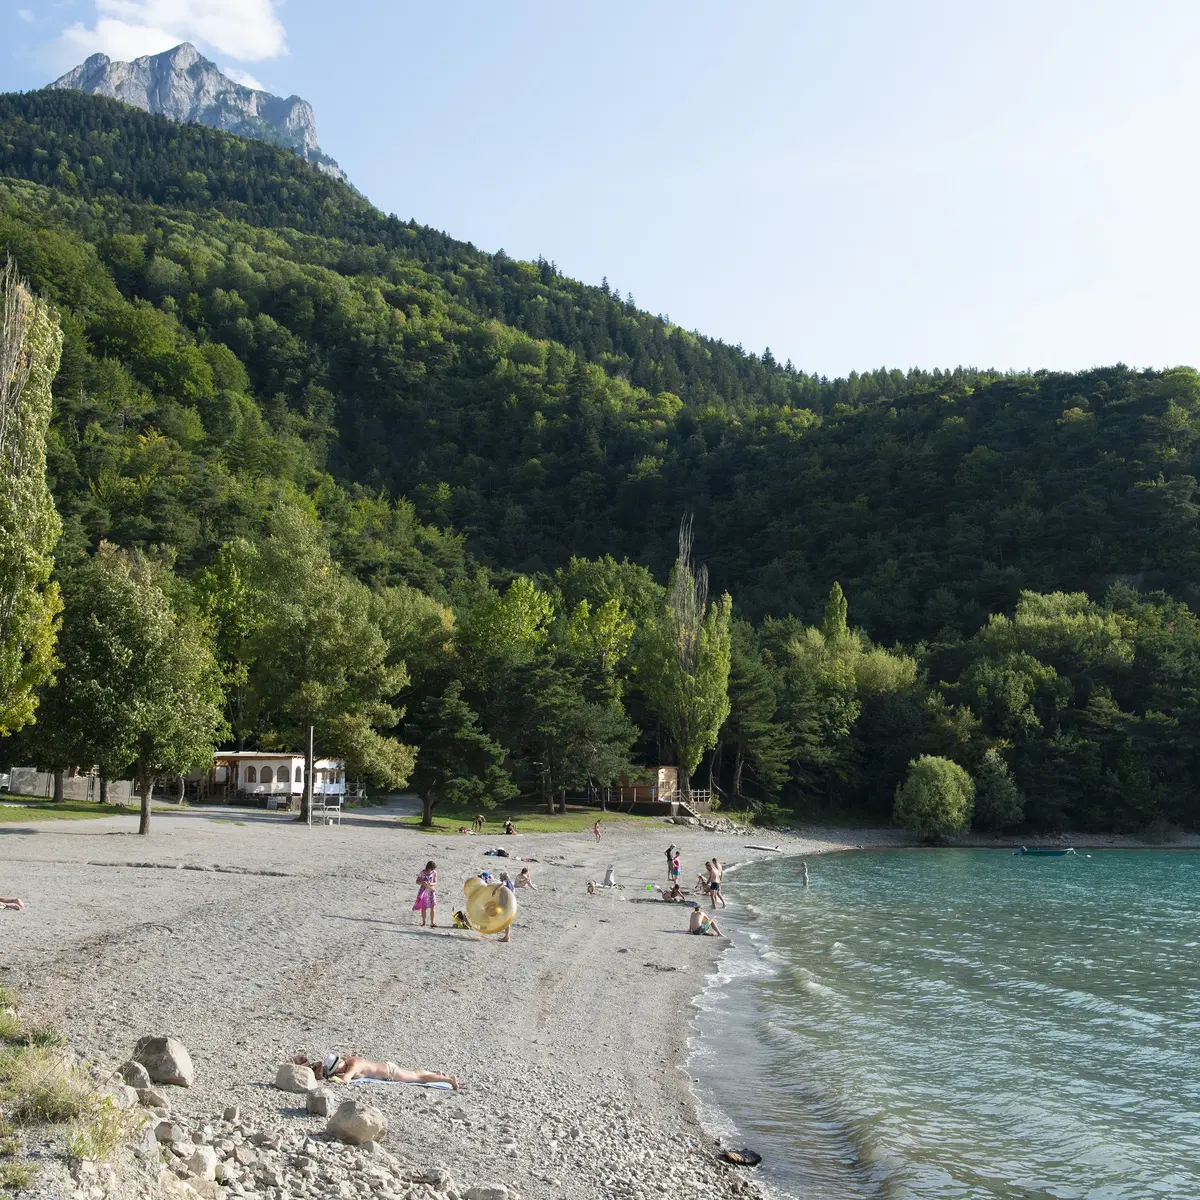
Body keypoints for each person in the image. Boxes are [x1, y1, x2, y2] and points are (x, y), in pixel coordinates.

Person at [297, 1053, 461, 1091]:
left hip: (390, 1073)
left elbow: (345, 1080)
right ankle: (437, 1074)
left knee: (419, 1077)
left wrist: (328, 1078)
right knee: (415, 1073)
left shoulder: (353, 1064)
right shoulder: (350, 1062)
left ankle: (448, 1079)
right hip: (387, 1069)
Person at [413, 860, 438, 927]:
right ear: (428, 867)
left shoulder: (434, 872)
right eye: (431, 868)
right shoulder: (422, 872)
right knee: (424, 907)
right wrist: (422, 882)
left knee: (433, 906)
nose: (432, 870)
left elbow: (435, 882)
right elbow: (417, 881)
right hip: (423, 891)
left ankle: (432, 923)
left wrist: (430, 883)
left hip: (431, 890)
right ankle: (424, 922)